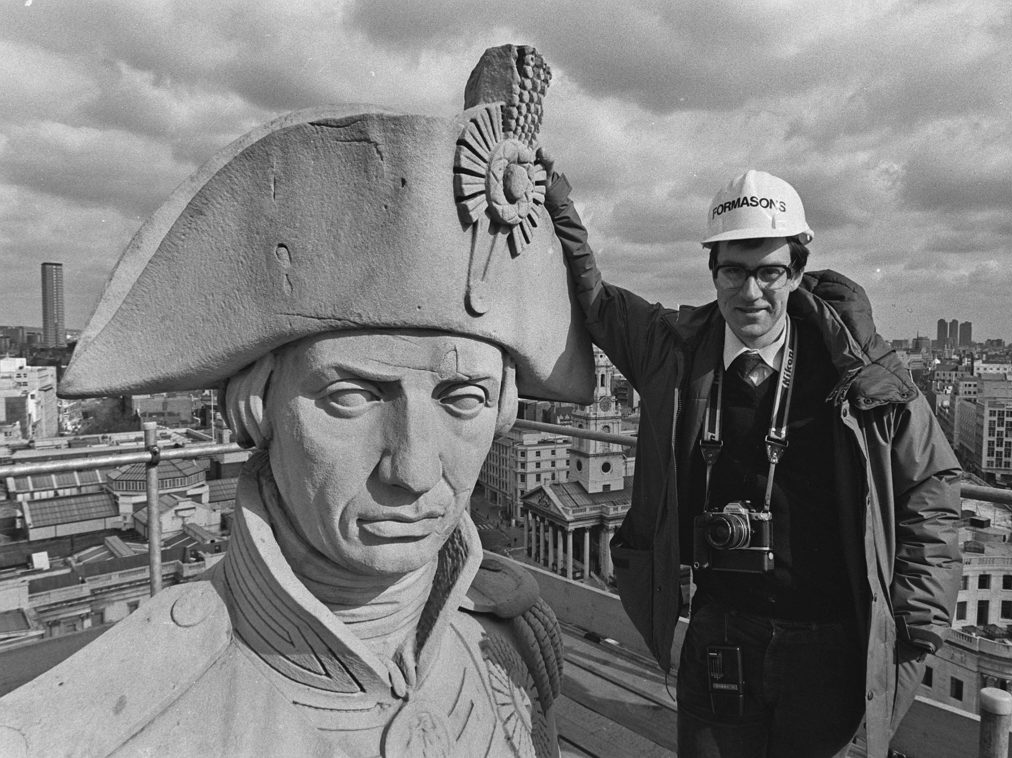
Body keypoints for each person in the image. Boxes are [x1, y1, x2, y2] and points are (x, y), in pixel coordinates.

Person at [0, 46, 594, 757]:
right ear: (257, 409)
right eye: (351, 396)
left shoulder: (517, 644)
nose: (413, 469)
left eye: (460, 398)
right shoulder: (95, 735)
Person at [541, 162, 962, 758]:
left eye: (770, 272)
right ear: (712, 269)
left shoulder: (859, 368)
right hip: (721, 629)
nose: (751, 293)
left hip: (829, 642)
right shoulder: (675, 352)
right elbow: (599, 303)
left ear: (797, 270)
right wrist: (559, 206)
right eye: (733, 272)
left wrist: (917, 617)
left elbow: (932, 485)